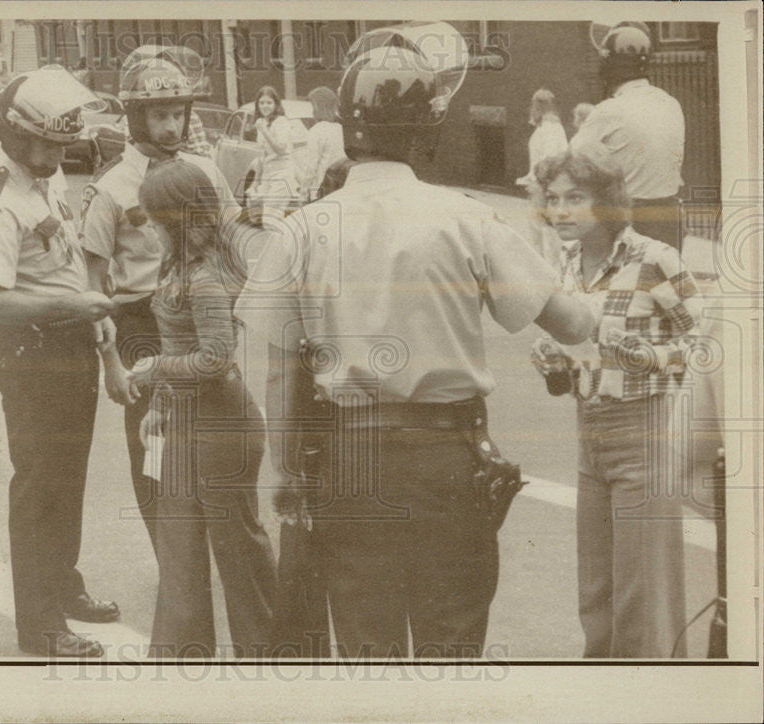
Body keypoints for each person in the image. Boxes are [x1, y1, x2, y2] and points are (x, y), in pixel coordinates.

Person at [246, 26, 595, 658]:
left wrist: (287, 470)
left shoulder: (301, 228)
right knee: (452, 643)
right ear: (425, 129)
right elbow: (572, 324)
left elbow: (278, 368)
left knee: (365, 646)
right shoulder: (463, 216)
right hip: (448, 455)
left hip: (347, 457)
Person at [0, 66, 124, 658]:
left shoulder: (41, 179)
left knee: (67, 479)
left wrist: (88, 317)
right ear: (15, 134)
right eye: (48, 142)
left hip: (66, 344)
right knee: (39, 489)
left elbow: (61, 259)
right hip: (33, 352)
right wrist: (74, 303)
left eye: (61, 143)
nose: (58, 152)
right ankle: (40, 624)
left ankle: (62, 583)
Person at [528, 146, 702, 658]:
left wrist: (646, 355)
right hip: (591, 442)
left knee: (642, 601)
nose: (560, 210)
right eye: (553, 198)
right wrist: (555, 365)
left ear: (606, 201)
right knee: (596, 597)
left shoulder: (654, 259)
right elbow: (581, 358)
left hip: (645, 440)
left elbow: (713, 346)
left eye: (575, 198)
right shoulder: (569, 261)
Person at [79, 46, 241, 556]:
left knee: (213, 434)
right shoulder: (111, 188)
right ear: (135, 118)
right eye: (158, 115)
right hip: (140, 324)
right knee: (154, 445)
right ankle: (171, 555)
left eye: (177, 114)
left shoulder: (204, 172)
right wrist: (110, 363)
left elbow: (234, 238)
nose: (171, 127)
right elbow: (95, 284)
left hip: (200, 313)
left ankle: (215, 547)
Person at [124, 159, 278, 658]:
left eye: (151, 219)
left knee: (236, 548)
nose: (145, 229)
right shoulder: (179, 267)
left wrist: (155, 371)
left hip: (221, 423)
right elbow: (184, 339)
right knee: (180, 548)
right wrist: (162, 406)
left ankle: (269, 659)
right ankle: (179, 663)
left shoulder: (205, 278)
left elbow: (215, 357)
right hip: (190, 420)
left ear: (173, 221)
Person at [572, 22, 686, 249]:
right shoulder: (671, 103)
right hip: (670, 219)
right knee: (664, 282)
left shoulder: (608, 110)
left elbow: (570, 162)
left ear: (608, 66)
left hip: (630, 220)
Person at [246, 86, 299, 232]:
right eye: (261, 103)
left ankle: (285, 249)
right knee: (264, 217)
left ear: (276, 104)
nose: (265, 106)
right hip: (268, 177)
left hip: (281, 176)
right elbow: (262, 156)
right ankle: (280, 249)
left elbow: (281, 149)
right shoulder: (263, 122)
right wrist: (256, 182)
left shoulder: (281, 122)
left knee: (271, 220)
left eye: (269, 103)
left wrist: (264, 130)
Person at [515, 88, 568, 188]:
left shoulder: (549, 127)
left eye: (533, 105)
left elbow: (549, 157)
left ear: (538, 107)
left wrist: (537, 180)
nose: (531, 109)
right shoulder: (549, 126)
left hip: (547, 183)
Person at [301, 86, 346, 202]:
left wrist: (304, 192)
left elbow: (311, 167)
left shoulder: (317, 131)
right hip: (343, 188)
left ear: (317, 106)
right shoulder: (342, 128)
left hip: (321, 190)